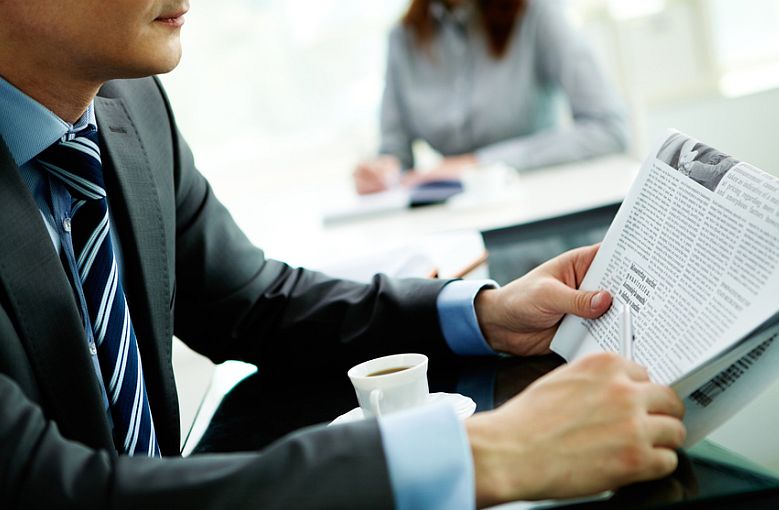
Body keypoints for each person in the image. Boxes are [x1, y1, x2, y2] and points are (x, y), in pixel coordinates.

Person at [0, 1, 685, 509]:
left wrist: (484, 315)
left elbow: (254, 301)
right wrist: (483, 455)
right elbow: (50, 488)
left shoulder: (132, 106)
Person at [354, 0, 629, 195]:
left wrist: (478, 164)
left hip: (543, 227)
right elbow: (395, 153)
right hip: (457, 234)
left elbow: (609, 130)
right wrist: (382, 172)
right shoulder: (403, 38)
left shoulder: (537, 13)